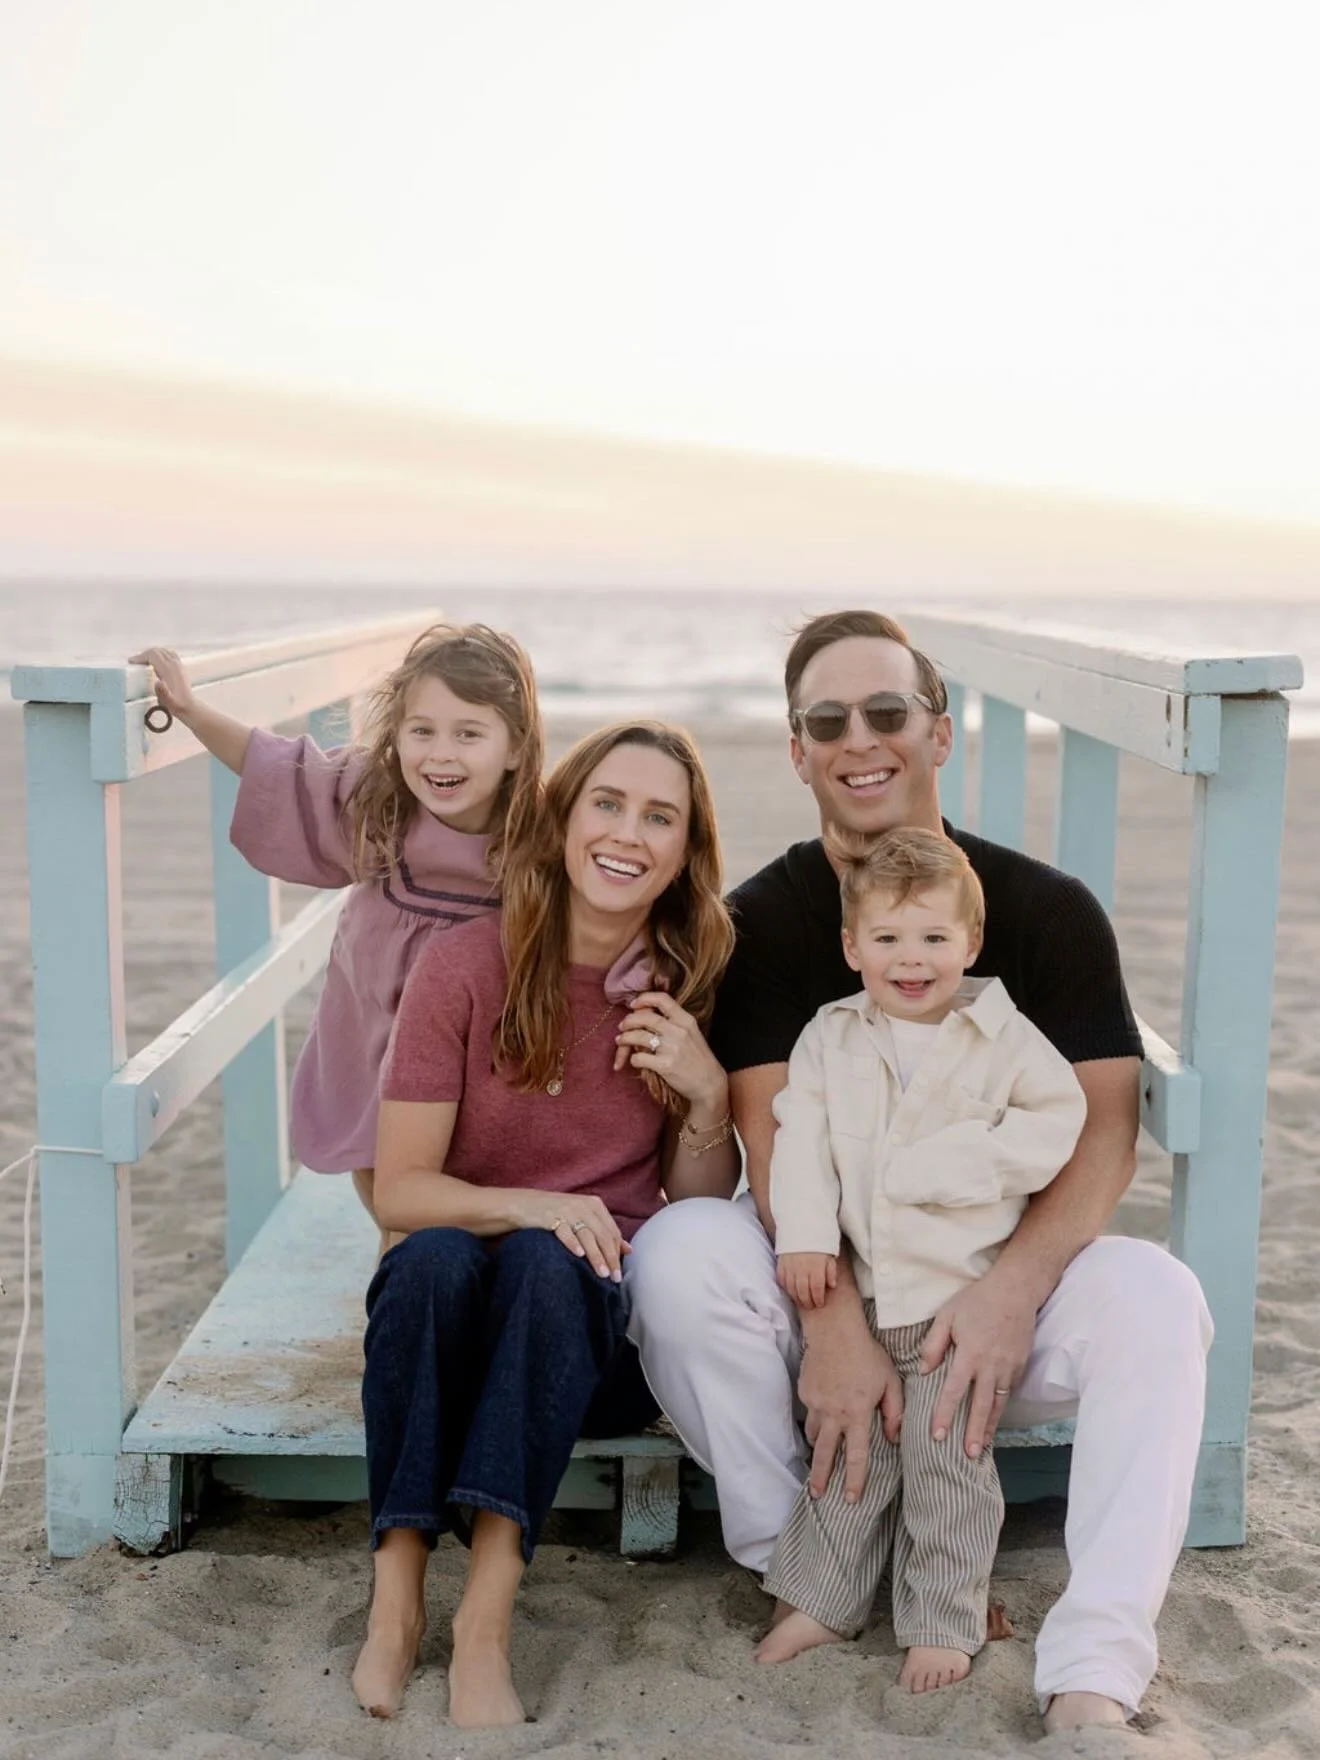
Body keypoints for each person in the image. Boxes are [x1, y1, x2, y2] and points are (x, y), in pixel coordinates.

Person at [627, 609, 1213, 1732]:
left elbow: (1102, 1132)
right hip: (838, 1285)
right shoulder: (757, 923)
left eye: (889, 711)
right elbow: (772, 1137)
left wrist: (1010, 1291)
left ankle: (1093, 1659)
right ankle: (801, 1556)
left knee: (1158, 1298)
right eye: (828, 719)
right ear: (796, 750)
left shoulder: (1044, 912)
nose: (863, 738)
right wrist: (836, 1323)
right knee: (679, 1252)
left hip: (990, 1299)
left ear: (939, 733)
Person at [352, 720, 738, 1727]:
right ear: (563, 818)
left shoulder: (683, 980)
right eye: (607, 802)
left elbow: (694, 1221)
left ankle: (485, 1617)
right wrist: (535, 1201)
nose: (628, 832)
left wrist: (704, 1101)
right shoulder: (465, 963)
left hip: (583, 1345)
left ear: (685, 853)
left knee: (545, 1261)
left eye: (661, 816)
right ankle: (396, 1599)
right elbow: (399, 1187)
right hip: (449, 1316)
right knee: (434, 1256)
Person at [757, 825, 1086, 1691]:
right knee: (847, 1454)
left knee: (948, 1461)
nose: (913, 959)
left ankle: (943, 1617)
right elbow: (801, 1141)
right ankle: (823, 1603)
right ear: (852, 946)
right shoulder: (831, 1036)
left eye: (935, 938)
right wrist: (805, 1237)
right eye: (890, 938)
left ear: (969, 944)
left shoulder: (1003, 1038)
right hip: (864, 1295)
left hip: (954, 1304)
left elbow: (1057, 1124)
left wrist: (946, 1166)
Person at [130, 624, 543, 1246]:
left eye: (469, 733)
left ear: (515, 747)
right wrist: (189, 709)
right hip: (373, 1018)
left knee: (459, 1180)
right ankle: (398, 1277)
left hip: (472, 1036)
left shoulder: (539, 835)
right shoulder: (381, 802)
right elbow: (279, 766)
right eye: (422, 730)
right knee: (386, 1182)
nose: (441, 754)